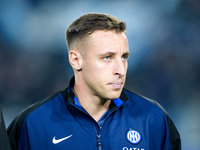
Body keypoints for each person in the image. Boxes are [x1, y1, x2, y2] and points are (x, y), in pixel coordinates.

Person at [7, 13, 181, 150]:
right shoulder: (32, 124)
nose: (120, 70)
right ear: (76, 60)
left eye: (124, 57)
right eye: (107, 57)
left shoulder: (154, 118)